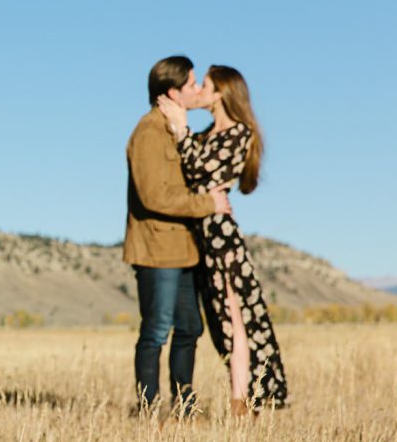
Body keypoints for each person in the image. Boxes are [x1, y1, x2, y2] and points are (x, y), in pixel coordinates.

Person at [158, 65, 289, 415]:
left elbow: (203, 171)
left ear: (221, 94)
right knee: (218, 321)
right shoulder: (202, 135)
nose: (198, 89)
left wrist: (180, 130)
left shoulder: (239, 134)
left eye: (205, 85)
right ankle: (242, 397)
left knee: (235, 316)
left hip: (220, 236)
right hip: (199, 234)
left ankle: (241, 401)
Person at [123, 55, 232, 418]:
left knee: (190, 328)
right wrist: (208, 204)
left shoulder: (177, 130)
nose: (198, 90)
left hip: (185, 250)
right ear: (172, 92)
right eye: (192, 85)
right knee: (156, 331)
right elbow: (154, 195)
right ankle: (148, 410)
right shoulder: (149, 133)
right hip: (156, 250)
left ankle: (185, 407)